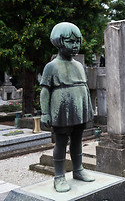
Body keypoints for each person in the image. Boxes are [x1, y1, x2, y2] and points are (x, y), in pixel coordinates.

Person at [40, 22, 95, 192]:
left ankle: (78, 170)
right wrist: (45, 113)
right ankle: (59, 176)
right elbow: (45, 91)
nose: (75, 45)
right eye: (70, 41)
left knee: (78, 140)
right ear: (59, 42)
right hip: (61, 109)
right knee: (61, 142)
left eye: (77, 41)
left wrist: (89, 109)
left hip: (79, 109)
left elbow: (85, 88)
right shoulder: (52, 66)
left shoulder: (78, 65)